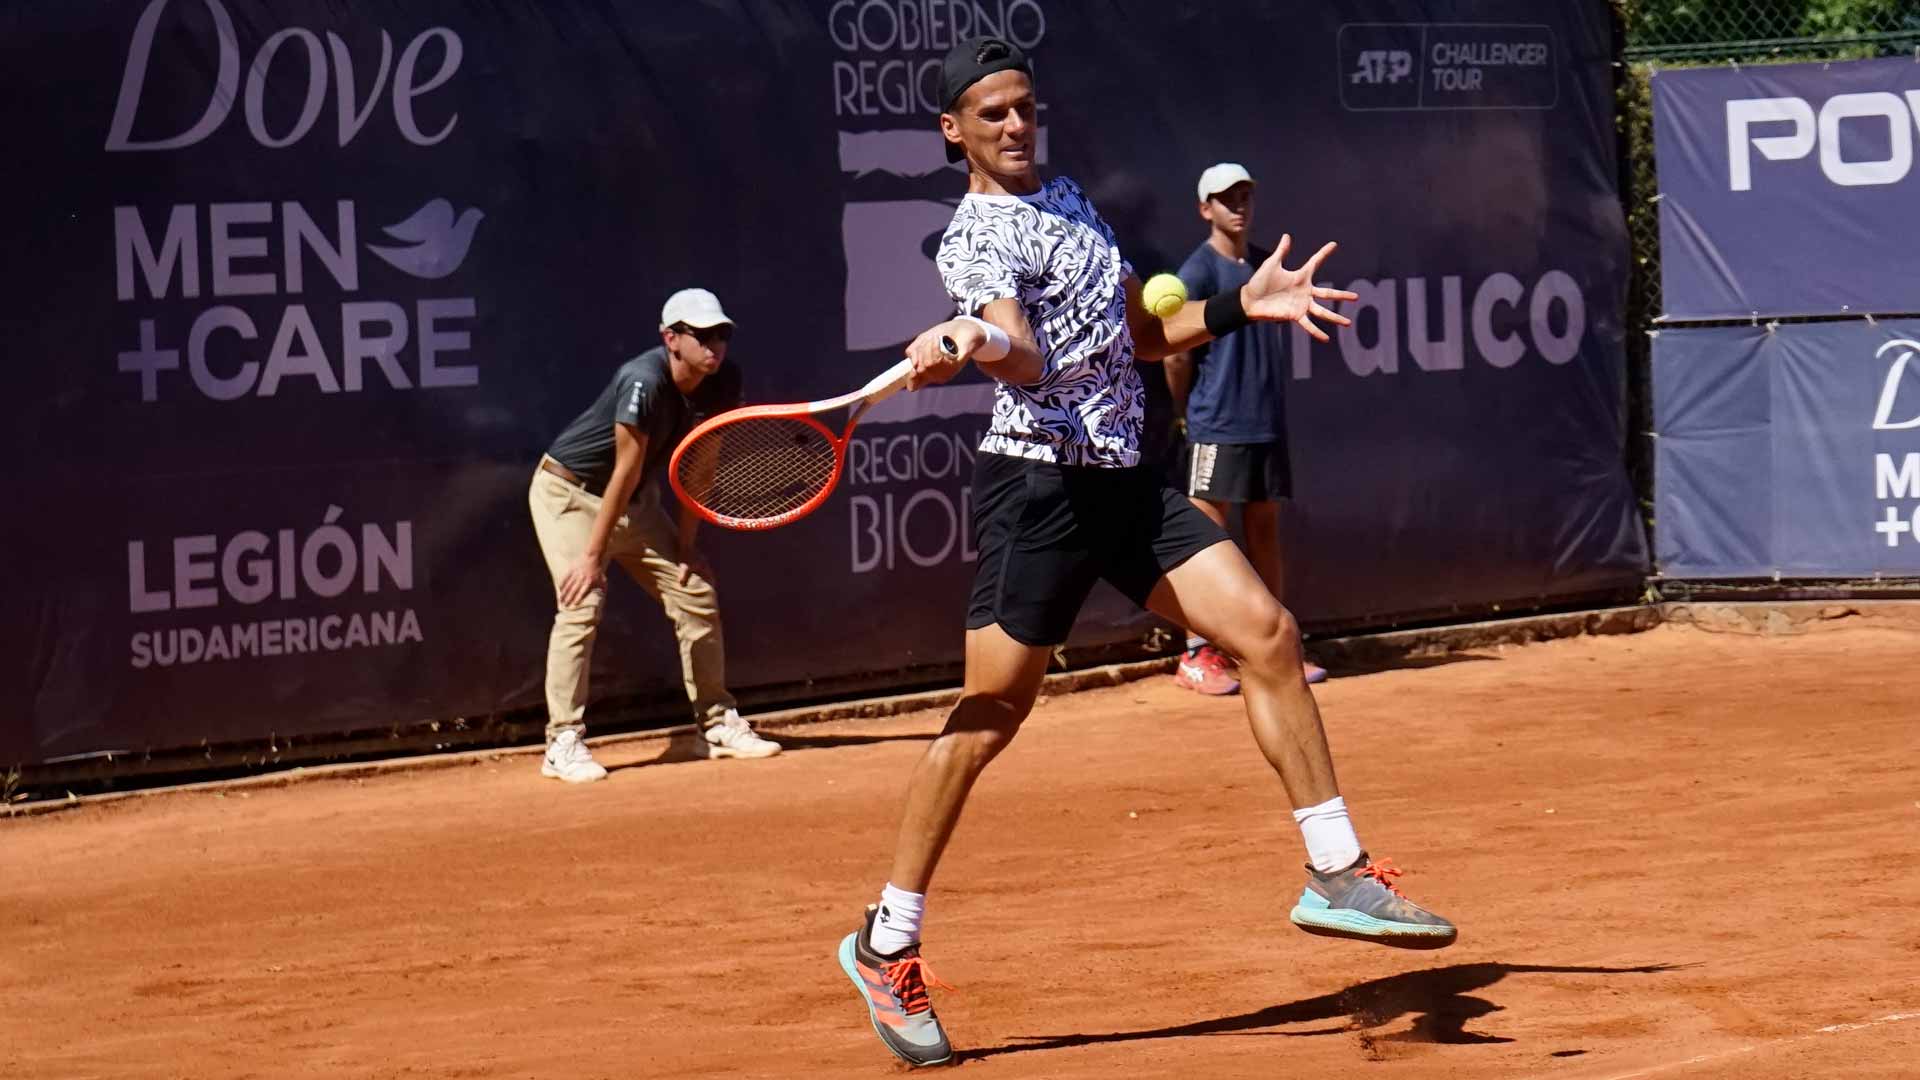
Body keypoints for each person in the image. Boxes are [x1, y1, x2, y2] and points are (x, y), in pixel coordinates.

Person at [832, 37, 1456, 1069]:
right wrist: (978, 343)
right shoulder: (975, 238)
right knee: (990, 716)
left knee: (1265, 632)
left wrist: (1238, 306)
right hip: (1039, 493)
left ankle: (1336, 870)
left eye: (1026, 107)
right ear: (954, 132)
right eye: (992, 115)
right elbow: (1023, 355)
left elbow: (1135, 333)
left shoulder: (1071, 199)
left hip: (1125, 480)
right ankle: (883, 941)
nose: (1017, 126)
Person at [528, 288, 781, 783]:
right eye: (702, 336)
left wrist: (686, 548)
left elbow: (700, 467)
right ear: (671, 339)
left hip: (635, 505)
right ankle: (562, 741)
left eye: (722, 335)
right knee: (582, 601)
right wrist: (591, 557)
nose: (715, 346)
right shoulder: (641, 380)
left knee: (696, 594)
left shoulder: (723, 380)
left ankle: (714, 726)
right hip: (570, 496)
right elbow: (625, 470)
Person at [1165, 163, 1329, 694]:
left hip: (1264, 422)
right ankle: (1196, 653)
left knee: (1264, 534)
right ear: (1204, 208)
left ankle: (1274, 652)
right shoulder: (1197, 272)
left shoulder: (1264, 268)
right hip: (1215, 421)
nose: (1238, 206)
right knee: (1204, 541)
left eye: (1244, 196)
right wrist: (1182, 412)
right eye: (1225, 198)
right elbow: (1174, 354)